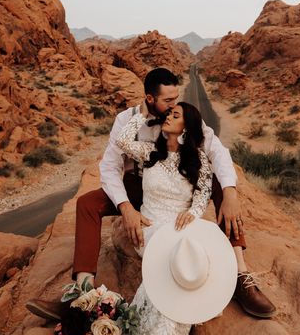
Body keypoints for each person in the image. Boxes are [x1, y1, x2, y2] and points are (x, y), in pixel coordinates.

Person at [26, 68, 275, 321]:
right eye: (167, 101)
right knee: (87, 203)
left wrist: (231, 193)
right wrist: (126, 208)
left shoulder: (182, 116)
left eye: (175, 98)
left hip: (173, 189)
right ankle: (82, 294)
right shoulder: (126, 120)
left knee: (222, 185)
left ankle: (241, 277)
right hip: (137, 188)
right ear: (149, 99)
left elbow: (217, 151)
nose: (173, 105)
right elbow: (110, 168)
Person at [116, 99, 232, 335]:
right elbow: (122, 140)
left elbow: (203, 194)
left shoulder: (198, 159)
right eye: (168, 113)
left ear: (186, 126)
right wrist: (140, 115)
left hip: (181, 225)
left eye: (175, 115)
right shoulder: (149, 153)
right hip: (151, 226)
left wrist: (192, 213)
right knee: (169, 261)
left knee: (188, 266)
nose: (168, 117)